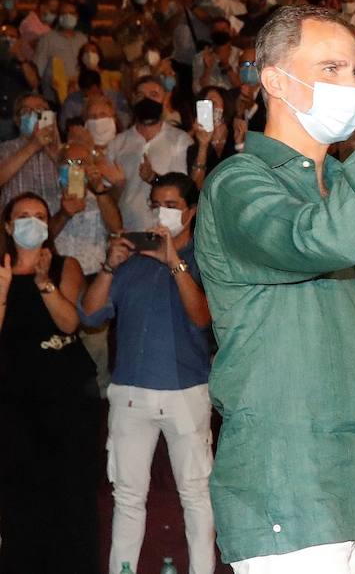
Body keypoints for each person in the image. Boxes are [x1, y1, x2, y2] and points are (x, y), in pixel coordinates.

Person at [195, 0, 355, 573]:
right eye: (329, 69)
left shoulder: (333, 186)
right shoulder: (239, 186)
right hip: (287, 492)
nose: (350, 85)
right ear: (275, 82)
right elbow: (323, 238)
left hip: (341, 499)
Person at [80, 172, 214, 574]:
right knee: (127, 496)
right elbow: (89, 315)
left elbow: (202, 317)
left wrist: (174, 261)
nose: (162, 212)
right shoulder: (131, 263)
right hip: (130, 393)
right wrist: (108, 265)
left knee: (195, 494)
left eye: (172, 205)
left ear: (190, 212)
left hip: (187, 391)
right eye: (157, 204)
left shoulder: (204, 259)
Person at [0, 192, 101, 573]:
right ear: (9, 226)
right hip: (13, 400)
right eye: (22, 216)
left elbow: (69, 323)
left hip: (66, 398)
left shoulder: (65, 266)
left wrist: (44, 282)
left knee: (70, 495)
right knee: (20, 496)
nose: (31, 222)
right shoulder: (1, 270)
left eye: (39, 215)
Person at [109, 76, 192, 232]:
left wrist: (155, 178)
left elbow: (185, 187)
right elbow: (108, 195)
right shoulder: (117, 144)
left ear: (165, 99)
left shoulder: (180, 140)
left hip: (169, 231)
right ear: (133, 100)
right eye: (141, 95)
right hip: (129, 229)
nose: (146, 100)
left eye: (153, 95)